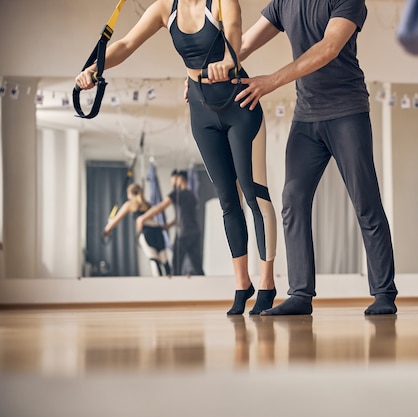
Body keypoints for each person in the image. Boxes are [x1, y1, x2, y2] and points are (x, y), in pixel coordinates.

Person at [76, 0, 278, 315]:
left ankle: (267, 282)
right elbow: (127, 43)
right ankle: (242, 283)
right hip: (201, 110)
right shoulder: (163, 9)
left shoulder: (223, 2)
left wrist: (227, 59)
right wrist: (93, 68)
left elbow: (236, 35)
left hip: (239, 103)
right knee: (227, 200)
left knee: (254, 195)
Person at [232, 0, 398, 315]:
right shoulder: (284, 3)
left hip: (347, 112)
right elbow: (242, 45)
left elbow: (329, 47)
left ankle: (384, 293)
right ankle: (300, 295)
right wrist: (202, 75)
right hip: (306, 116)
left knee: (365, 202)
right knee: (292, 199)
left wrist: (271, 81)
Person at [140, 170, 205, 276]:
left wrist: (142, 218)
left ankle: (176, 287)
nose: (172, 183)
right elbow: (182, 217)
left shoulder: (177, 194)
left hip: (184, 233)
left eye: (174, 180)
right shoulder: (191, 195)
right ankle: (205, 287)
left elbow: (160, 207)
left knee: (176, 264)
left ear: (179, 179)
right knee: (196, 264)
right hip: (195, 232)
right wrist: (168, 226)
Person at [103, 183, 172, 277]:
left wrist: (107, 229)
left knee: (154, 261)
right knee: (165, 261)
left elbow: (116, 220)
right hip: (158, 231)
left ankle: (158, 285)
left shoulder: (130, 205)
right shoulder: (148, 205)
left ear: (130, 193)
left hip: (147, 233)